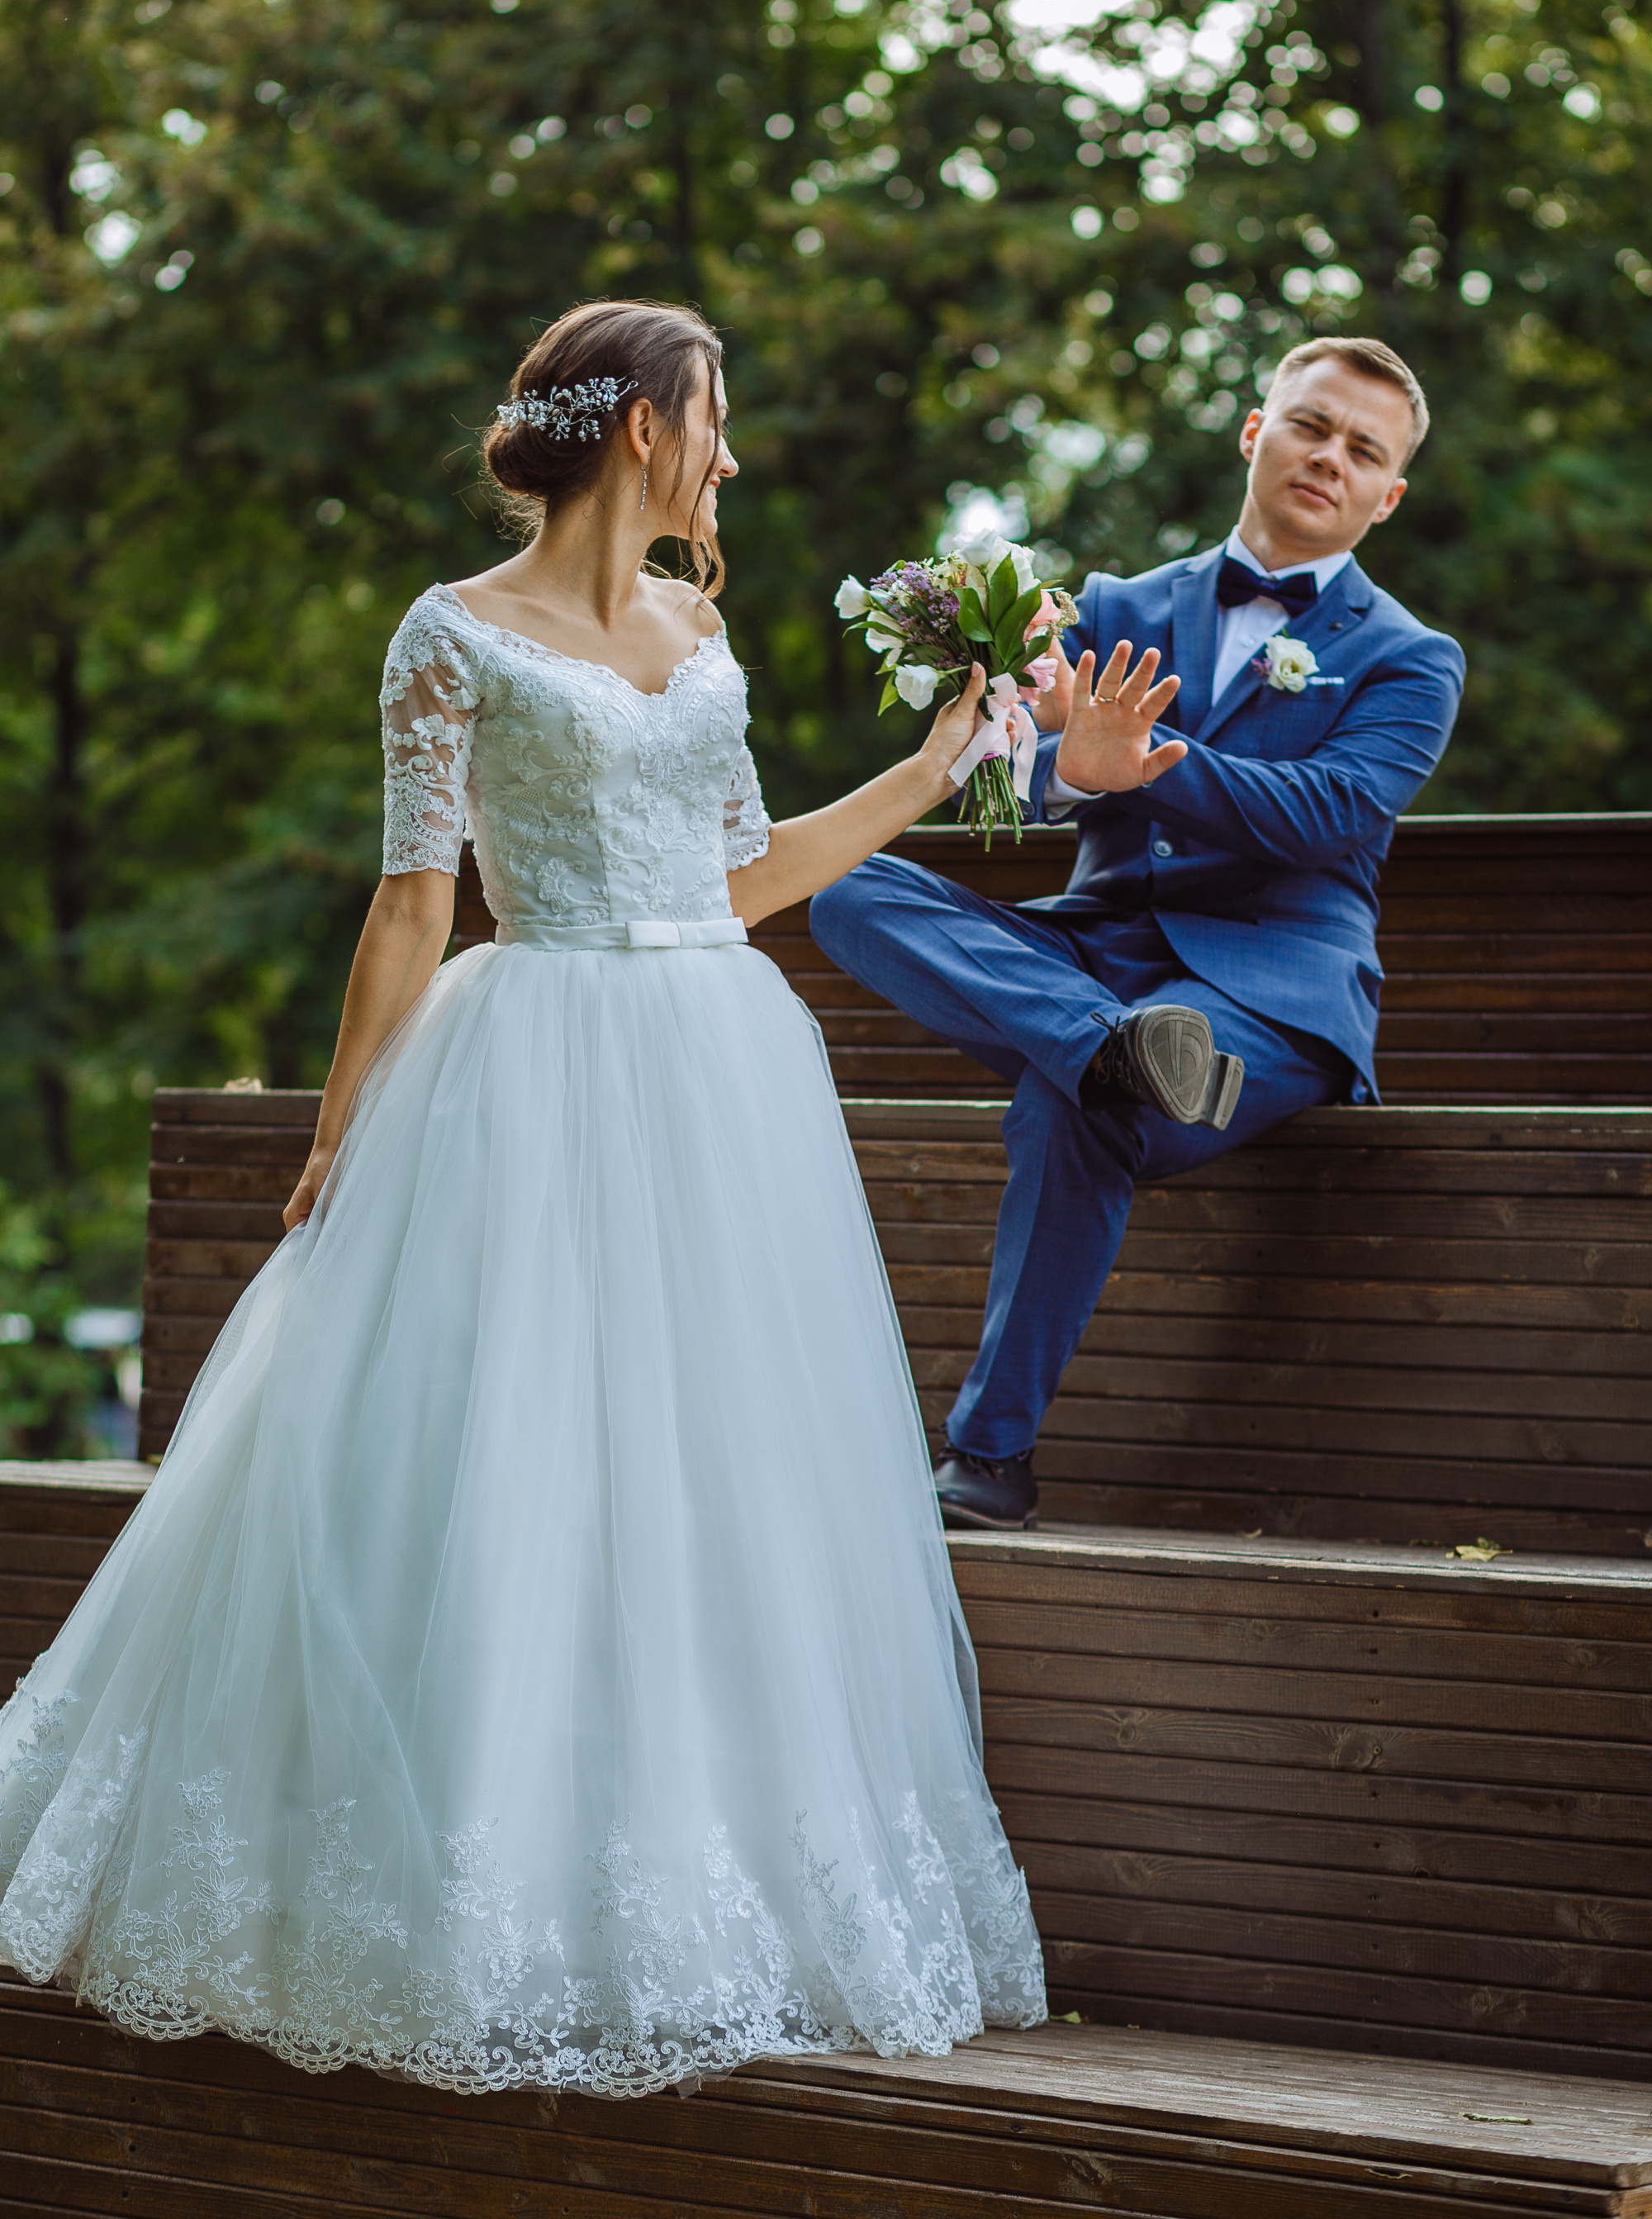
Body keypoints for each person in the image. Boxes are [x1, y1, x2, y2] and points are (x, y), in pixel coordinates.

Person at [0, 299, 1045, 2096]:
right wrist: (343, 1130)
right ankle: (447, 1898)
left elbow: (740, 881)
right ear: (642, 425)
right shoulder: (449, 634)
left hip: (716, 1070)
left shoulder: (697, 626)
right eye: (714, 416)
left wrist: (938, 765)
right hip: (529, 1063)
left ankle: (688, 1889)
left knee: (712, 1474)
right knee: (505, 1464)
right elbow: (415, 903)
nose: (730, 451)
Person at [812, 335, 1465, 1532]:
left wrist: (1141, 767)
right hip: (1097, 952)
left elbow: (1332, 816)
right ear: (1254, 431)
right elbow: (1010, 786)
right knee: (853, 892)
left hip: (1275, 993)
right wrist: (1047, 753)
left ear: (1390, 495)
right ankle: (1110, 1041)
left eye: (1364, 450)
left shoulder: (1414, 658)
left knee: (1077, 1097)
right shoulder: (1113, 606)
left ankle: (988, 1462)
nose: (1331, 456)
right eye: (1312, 424)